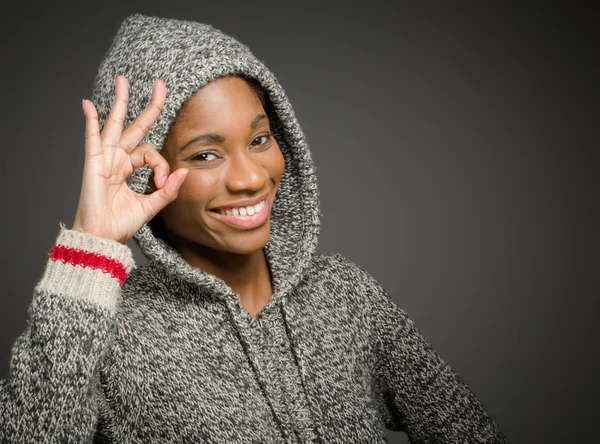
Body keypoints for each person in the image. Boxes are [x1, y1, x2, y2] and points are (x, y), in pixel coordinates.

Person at [0, 13, 509, 443]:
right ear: (142, 172)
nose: (249, 178)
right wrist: (92, 243)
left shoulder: (347, 298)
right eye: (205, 154)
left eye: (260, 139)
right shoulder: (105, 330)